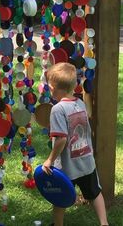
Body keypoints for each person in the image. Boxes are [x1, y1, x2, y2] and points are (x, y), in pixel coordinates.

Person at [42, 62, 109, 226]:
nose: (49, 89)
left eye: (49, 86)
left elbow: (61, 139)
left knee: (59, 198)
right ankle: (104, 223)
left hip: (67, 167)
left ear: (55, 88)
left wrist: (50, 160)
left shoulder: (57, 109)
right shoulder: (80, 103)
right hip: (86, 162)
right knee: (94, 193)